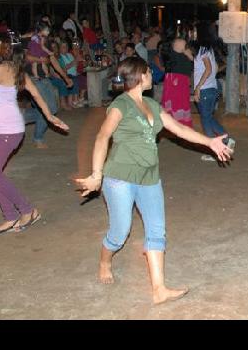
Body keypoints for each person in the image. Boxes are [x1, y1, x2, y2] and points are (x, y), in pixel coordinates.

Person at [74, 57, 231, 304]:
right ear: (140, 76)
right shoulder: (120, 105)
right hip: (120, 178)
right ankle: (105, 261)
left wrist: (209, 142)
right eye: (149, 72)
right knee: (119, 233)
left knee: (157, 230)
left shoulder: (151, 104)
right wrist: (96, 174)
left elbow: (179, 129)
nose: (152, 75)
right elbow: (102, 137)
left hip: (149, 176)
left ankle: (159, 289)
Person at [0, 38, 69, 235]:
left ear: (5, 50)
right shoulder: (16, 70)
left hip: (8, 131)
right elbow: (37, 96)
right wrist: (49, 116)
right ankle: (10, 217)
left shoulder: (2, 69)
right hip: (5, 129)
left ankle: (28, 210)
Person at [190, 25, 228, 161]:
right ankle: (226, 139)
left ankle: (214, 150)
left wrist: (198, 87)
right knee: (209, 117)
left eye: (195, 31)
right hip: (211, 88)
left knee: (205, 119)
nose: (193, 33)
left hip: (205, 89)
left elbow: (208, 69)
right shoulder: (209, 50)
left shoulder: (202, 51)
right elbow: (215, 68)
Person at [161, 37, 194, 127]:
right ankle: (176, 125)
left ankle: (180, 126)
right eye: (183, 44)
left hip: (182, 82)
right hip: (175, 82)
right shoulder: (171, 55)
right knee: (176, 104)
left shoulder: (186, 54)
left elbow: (194, 64)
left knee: (182, 104)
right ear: (176, 45)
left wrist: (189, 55)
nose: (185, 46)